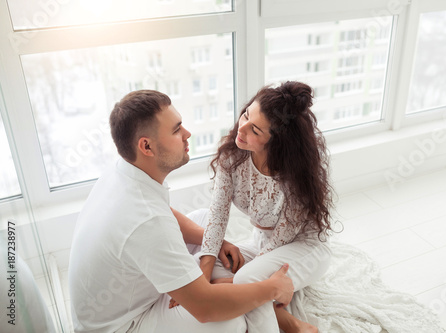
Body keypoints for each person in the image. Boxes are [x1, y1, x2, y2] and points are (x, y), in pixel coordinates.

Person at [68, 90, 294, 333]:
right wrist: (272, 287)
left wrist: (216, 242)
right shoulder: (147, 220)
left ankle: (203, 282)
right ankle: (205, 287)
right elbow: (205, 309)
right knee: (230, 322)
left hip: (131, 288)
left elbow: (164, 212)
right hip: (126, 325)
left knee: (206, 222)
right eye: (176, 130)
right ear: (146, 146)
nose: (187, 134)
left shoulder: (123, 169)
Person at [196, 81, 336, 333]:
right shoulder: (232, 156)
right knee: (215, 265)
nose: (242, 129)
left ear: (276, 142)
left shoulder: (294, 173)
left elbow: (284, 236)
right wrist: (203, 279)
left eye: (255, 130)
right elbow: (217, 214)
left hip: (303, 247)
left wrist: (250, 276)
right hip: (262, 241)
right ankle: (292, 325)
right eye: (246, 115)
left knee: (247, 279)